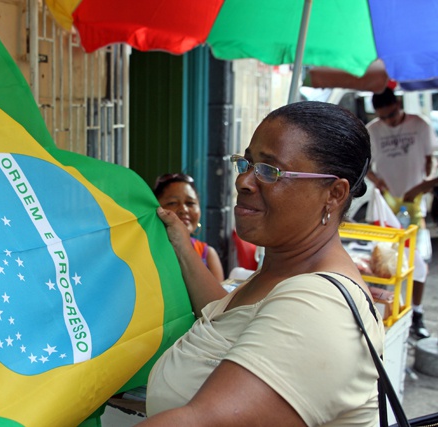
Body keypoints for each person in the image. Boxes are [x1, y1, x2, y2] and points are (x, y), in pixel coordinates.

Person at [140, 101, 384, 426]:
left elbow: (202, 421)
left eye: (270, 171)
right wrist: (183, 246)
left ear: (334, 194)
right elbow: (230, 325)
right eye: (247, 163)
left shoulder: (319, 307)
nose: (244, 181)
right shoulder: (278, 275)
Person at [366, 87, 435, 339]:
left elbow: (430, 162)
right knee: (382, 260)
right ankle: (379, 310)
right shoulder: (373, 130)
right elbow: (366, 166)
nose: (389, 122)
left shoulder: (420, 125)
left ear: (398, 104)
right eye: (383, 118)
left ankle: (416, 312)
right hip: (386, 202)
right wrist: (379, 182)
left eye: (392, 115)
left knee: (418, 261)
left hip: (412, 202)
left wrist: (421, 186)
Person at [153, 173, 224, 282]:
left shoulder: (207, 254)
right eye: (172, 203)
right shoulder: (149, 250)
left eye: (190, 203)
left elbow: (221, 299)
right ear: (156, 208)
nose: (184, 209)